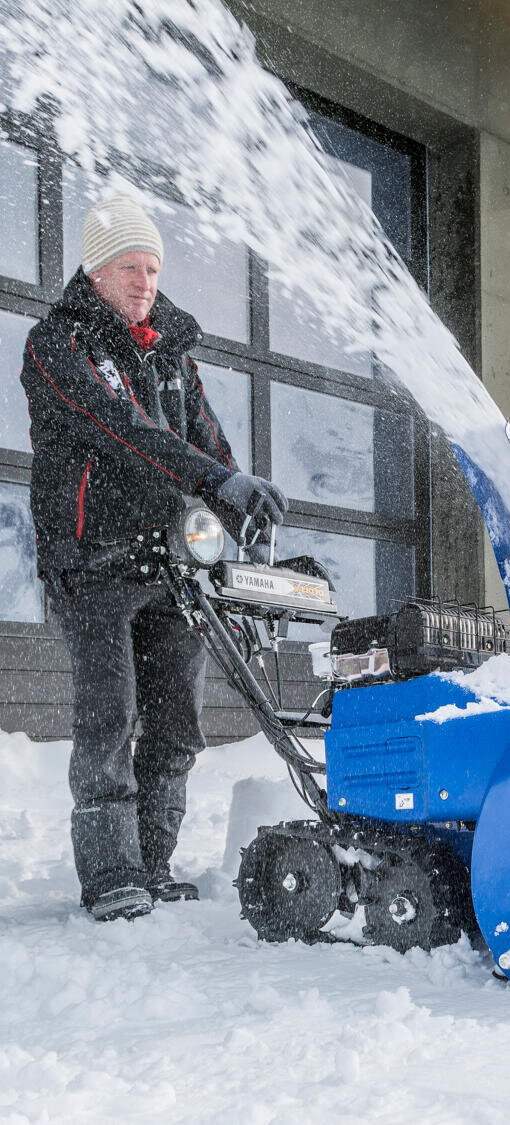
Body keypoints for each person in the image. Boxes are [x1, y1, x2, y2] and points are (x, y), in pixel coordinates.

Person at [20, 194, 288, 922]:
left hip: (172, 567)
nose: (145, 281)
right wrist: (212, 479)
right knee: (111, 720)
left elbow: (204, 444)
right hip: (94, 562)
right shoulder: (59, 346)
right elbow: (122, 431)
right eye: (129, 267)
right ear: (96, 270)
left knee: (175, 727)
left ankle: (150, 864)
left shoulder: (169, 353)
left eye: (152, 267)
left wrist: (241, 501)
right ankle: (110, 877)